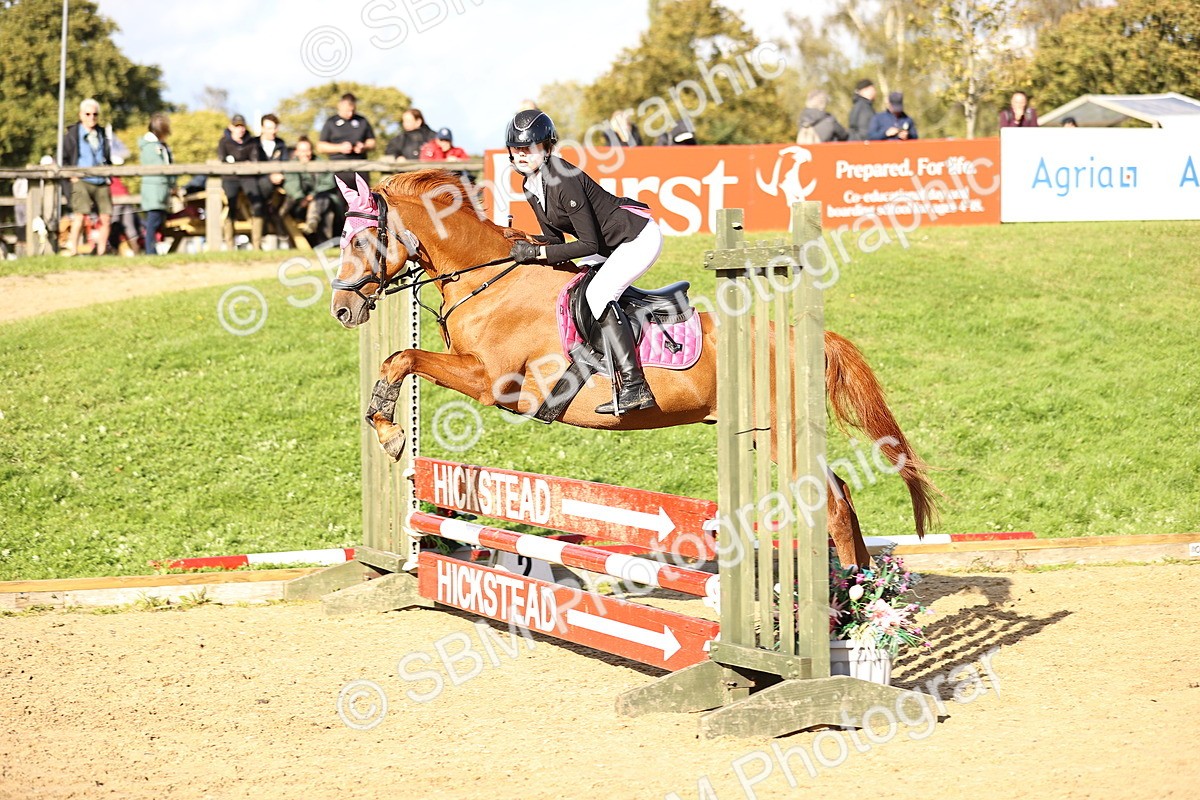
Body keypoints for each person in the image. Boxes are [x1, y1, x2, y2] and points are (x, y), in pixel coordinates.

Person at [504, 109, 661, 416]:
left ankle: (635, 386)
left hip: (636, 237)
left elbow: (586, 244)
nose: (522, 155)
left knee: (598, 294)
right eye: (516, 149)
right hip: (608, 245)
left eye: (529, 148)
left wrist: (536, 254)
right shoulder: (530, 185)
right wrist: (518, 241)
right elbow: (555, 241)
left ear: (547, 148)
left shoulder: (563, 181)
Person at [61, 98, 112, 256]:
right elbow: (63, 158)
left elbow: (108, 155)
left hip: (101, 179)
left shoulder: (102, 134)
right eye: (88, 114)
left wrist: (108, 172)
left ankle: (101, 252)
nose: (92, 117)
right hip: (81, 180)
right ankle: (73, 249)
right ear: (81, 115)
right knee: (80, 216)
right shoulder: (72, 135)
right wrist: (72, 175)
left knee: (106, 217)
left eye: (95, 114)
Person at [217, 113, 265, 250]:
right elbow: (223, 159)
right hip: (229, 178)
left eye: (242, 126)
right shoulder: (224, 142)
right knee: (231, 205)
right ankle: (229, 244)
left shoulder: (252, 142)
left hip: (248, 177)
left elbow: (254, 161)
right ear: (231, 127)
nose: (240, 129)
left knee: (257, 204)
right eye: (237, 126)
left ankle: (257, 245)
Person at [282, 136, 337, 243]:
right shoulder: (291, 166)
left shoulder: (321, 163)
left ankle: (313, 222)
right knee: (324, 205)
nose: (306, 154)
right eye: (302, 151)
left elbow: (328, 183)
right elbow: (291, 185)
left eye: (308, 150)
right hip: (298, 205)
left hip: (319, 200)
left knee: (324, 201)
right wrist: (302, 198)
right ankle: (321, 237)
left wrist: (312, 196)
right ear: (297, 152)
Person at [318, 93, 376, 185]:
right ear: (339, 106)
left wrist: (363, 147)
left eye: (352, 111)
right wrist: (340, 148)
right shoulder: (331, 122)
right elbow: (320, 147)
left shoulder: (362, 120)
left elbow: (372, 142)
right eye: (347, 111)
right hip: (338, 168)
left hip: (360, 167)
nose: (350, 114)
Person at [139, 113, 174, 255]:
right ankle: (150, 251)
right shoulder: (152, 148)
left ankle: (152, 250)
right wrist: (171, 182)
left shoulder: (158, 146)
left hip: (159, 190)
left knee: (156, 223)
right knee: (152, 224)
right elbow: (161, 168)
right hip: (155, 191)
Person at [256, 114, 289, 244]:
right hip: (259, 182)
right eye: (269, 128)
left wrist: (280, 174)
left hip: (279, 182)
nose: (272, 131)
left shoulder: (281, 144)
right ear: (262, 128)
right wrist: (270, 175)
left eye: (274, 128)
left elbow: (285, 163)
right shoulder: (254, 143)